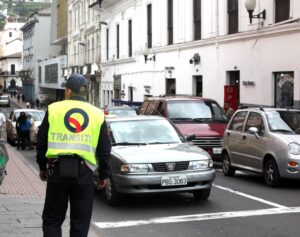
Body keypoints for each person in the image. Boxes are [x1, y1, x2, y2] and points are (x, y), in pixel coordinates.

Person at [36, 73, 111, 237]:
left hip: (57, 171)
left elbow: (41, 141)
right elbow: (105, 149)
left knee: (52, 220)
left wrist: (42, 167)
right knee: (80, 223)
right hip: (84, 174)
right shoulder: (97, 114)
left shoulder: (54, 109)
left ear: (69, 91)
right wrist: (103, 175)